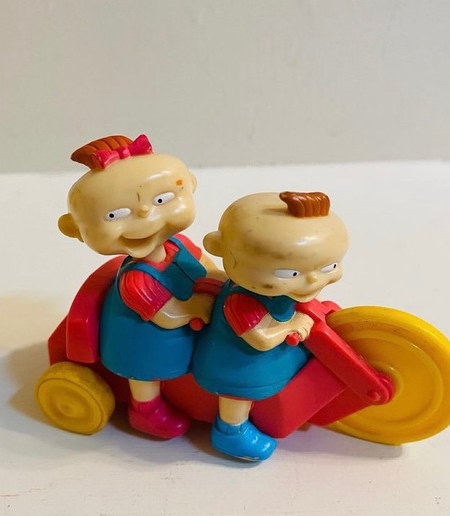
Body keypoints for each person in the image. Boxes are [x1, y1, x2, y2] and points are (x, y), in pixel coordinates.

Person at [58, 134, 221, 439]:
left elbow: (206, 265)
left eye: (162, 200)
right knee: (145, 374)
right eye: (115, 215)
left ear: (191, 185)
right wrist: (196, 307)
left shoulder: (179, 244)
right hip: (146, 340)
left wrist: (220, 282)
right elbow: (166, 314)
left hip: (192, 323)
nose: (147, 216)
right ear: (76, 229)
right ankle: (145, 409)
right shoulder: (137, 279)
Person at [191, 191, 349, 460]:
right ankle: (230, 430)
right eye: (289, 273)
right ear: (220, 248)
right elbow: (261, 338)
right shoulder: (242, 301)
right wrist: (292, 325)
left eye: (328, 267)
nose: (312, 281)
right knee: (238, 394)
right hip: (238, 362)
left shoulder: (282, 290)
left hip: (274, 356)